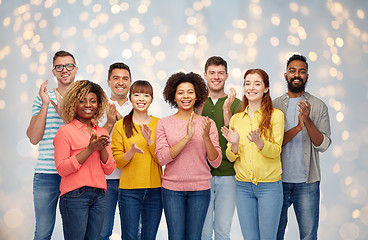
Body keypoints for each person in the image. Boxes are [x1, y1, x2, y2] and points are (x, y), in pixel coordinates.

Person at [155, 72, 222, 240]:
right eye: (181, 92)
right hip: (172, 190)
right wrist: (187, 137)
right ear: (174, 97)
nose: (186, 96)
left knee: (194, 237)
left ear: (197, 95)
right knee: (176, 237)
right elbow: (162, 158)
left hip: (200, 190)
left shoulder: (208, 123)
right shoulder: (164, 123)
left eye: (190, 92)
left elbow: (216, 162)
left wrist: (206, 137)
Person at [222, 68, 285, 240]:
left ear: (266, 88)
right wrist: (234, 144)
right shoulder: (236, 118)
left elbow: (276, 151)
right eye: (247, 83)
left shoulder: (276, 116)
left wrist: (260, 142)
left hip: (269, 187)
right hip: (243, 187)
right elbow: (230, 155)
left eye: (257, 83)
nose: (251, 87)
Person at [274, 54, 331, 240]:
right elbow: (273, 144)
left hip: (307, 183)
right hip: (277, 182)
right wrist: (298, 127)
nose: (296, 75)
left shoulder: (318, 105)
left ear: (307, 76)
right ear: (285, 75)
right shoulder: (274, 106)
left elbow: (322, 145)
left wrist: (307, 121)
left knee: (308, 236)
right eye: (292, 71)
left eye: (301, 71)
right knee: (274, 234)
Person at [53, 80, 116, 240]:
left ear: (98, 104)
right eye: (82, 100)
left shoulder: (102, 132)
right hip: (75, 196)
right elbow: (62, 169)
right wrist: (89, 149)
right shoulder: (65, 132)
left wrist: (101, 146)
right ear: (73, 103)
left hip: (100, 196)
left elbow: (109, 169)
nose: (88, 105)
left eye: (93, 101)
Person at [26, 50, 78, 240]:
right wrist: (46, 104)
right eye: (59, 66)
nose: (64, 70)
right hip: (46, 173)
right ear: (54, 71)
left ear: (76, 69)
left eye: (69, 65)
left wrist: (65, 110)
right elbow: (33, 137)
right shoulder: (41, 100)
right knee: (42, 232)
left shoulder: (85, 100)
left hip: (74, 174)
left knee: (74, 233)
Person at [196, 56, 241, 240]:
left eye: (220, 73)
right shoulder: (195, 102)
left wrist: (227, 109)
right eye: (212, 73)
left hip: (229, 175)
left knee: (223, 231)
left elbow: (238, 137)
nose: (216, 77)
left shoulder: (238, 104)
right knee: (204, 232)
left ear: (227, 75)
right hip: (201, 176)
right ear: (205, 75)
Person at [112, 80, 162, 240]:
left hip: (155, 190)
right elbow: (118, 162)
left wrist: (149, 142)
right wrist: (131, 151)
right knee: (130, 236)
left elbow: (162, 159)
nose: (141, 99)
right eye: (137, 94)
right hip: (129, 191)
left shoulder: (159, 124)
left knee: (149, 237)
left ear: (152, 99)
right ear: (131, 97)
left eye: (146, 95)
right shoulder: (120, 125)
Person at [99, 62, 133, 240]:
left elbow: (138, 142)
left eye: (125, 78)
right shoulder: (98, 107)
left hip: (131, 179)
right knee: (103, 231)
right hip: (106, 179)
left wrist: (119, 121)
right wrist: (110, 123)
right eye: (116, 78)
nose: (121, 82)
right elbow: (93, 140)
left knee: (132, 233)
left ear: (130, 82)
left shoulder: (137, 107)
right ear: (108, 81)